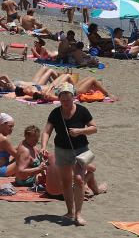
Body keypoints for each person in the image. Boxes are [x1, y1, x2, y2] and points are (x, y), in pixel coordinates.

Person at [41, 82, 102, 225]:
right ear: (59, 99)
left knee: (79, 180)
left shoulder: (82, 111)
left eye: (68, 99)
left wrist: (80, 131)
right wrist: (43, 146)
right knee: (66, 182)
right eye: (63, 100)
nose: (66, 103)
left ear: (73, 97)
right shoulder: (56, 113)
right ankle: (70, 211)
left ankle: (78, 214)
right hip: (62, 150)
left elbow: (94, 128)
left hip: (81, 150)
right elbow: (46, 131)